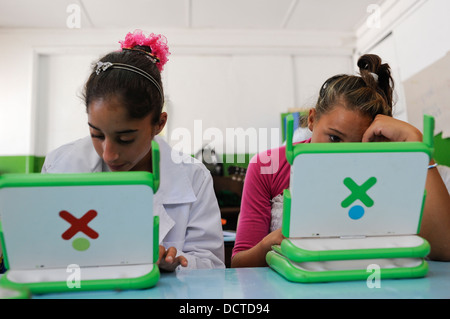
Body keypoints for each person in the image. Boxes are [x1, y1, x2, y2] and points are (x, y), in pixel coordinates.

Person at [231, 54, 450, 267]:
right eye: (334, 138)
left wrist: (417, 146)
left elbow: (445, 249)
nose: (342, 154)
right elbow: (239, 263)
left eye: (360, 145)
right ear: (313, 119)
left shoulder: (390, 162)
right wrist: (269, 244)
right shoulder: (266, 166)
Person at [42, 30, 225, 271]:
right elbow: (41, 253)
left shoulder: (194, 178)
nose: (108, 154)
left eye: (125, 138)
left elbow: (212, 266)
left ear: (158, 124)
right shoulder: (60, 166)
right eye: (96, 134)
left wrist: (173, 262)